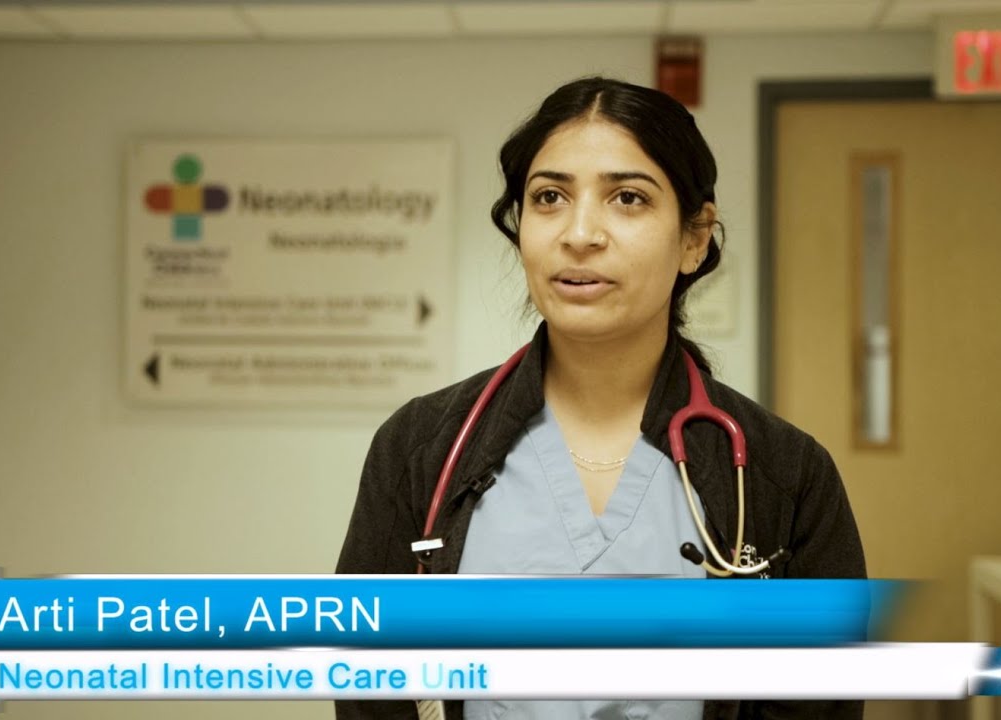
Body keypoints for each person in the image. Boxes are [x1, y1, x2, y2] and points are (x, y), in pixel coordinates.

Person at [335, 76, 866, 720]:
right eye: (550, 196)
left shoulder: (786, 475)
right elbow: (367, 688)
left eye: (627, 198)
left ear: (694, 238)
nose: (580, 233)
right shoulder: (422, 446)